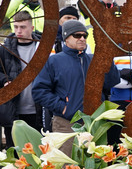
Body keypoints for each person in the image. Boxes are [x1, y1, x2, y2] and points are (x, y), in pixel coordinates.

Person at [32, 19, 118, 151]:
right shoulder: (53, 61)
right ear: (66, 38)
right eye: (77, 35)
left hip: (95, 125)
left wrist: (108, 59)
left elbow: (112, 82)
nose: (82, 38)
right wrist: (64, 108)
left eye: (85, 35)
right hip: (66, 124)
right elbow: (39, 91)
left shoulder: (94, 60)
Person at [0, 10, 44, 146]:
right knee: (15, 155)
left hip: (38, 111)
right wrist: (4, 80)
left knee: (39, 154)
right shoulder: (4, 50)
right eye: (16, 27)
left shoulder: (42, 48)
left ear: (32, 28)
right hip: (12, 110)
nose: (19, 31)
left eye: (23, 27)